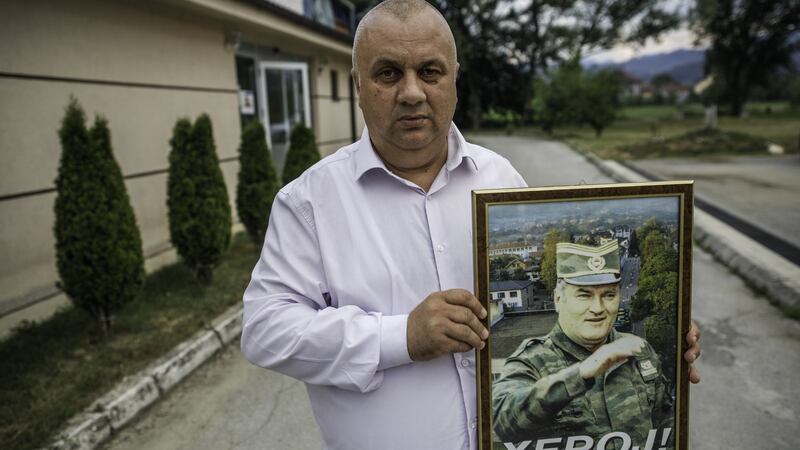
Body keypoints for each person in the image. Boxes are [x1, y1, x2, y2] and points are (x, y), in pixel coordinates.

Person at [240, 1, 701, 449]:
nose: (412, 92)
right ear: (358, 83)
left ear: (454, 79)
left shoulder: (500, 178)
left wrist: (670, 340)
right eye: (388, 74)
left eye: (430, 71)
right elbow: (265, 330)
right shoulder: (310, 202)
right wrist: (401, 336)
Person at [493, 241, 674, 449]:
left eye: (609, 295)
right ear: (558, 299)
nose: (598, 308)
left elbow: (666, 424)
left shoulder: (638, 351)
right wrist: (580, 374)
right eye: (584, 295)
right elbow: (501, 421)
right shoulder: (531, 361)